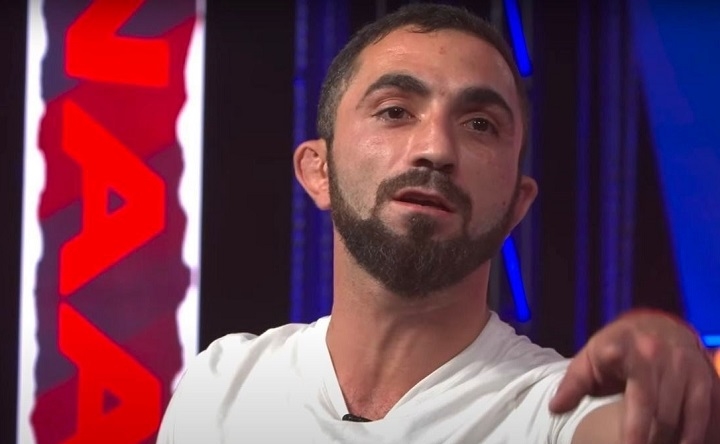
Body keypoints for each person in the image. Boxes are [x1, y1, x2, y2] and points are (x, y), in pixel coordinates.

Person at [157, 3, 719, 443]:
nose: (436, 148)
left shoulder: (558, 407)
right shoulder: (223, 385)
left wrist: (675, 384)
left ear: (517, 205)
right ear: (319, 171)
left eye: (479, 124)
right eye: (395, 111)